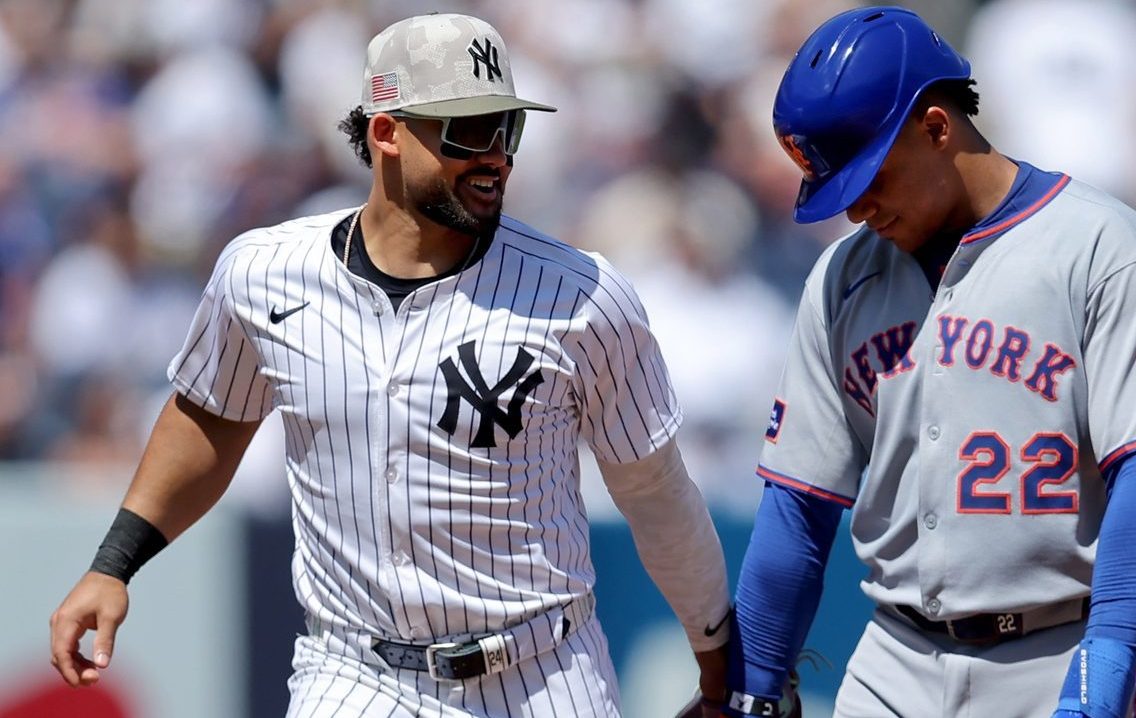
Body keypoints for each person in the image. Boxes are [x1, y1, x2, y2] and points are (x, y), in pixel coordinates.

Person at [48, 13, 732, 717]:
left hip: (541, 669)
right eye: (467, 130)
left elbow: (655, 490)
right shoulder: (264, 275)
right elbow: (211, 420)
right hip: (351, 670)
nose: (494, 155)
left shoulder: (582, 296)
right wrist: (113, 566)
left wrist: (721, 668)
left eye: (507, 128)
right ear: (385, 131)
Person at [723, 7, 1136, 718]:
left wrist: (1106, 661)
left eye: (871, 178)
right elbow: (798, 504)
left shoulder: (1105, 248)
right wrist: (753, 683)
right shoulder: (842, 278)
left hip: (1066, 645)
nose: (857, 209)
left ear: (936, 127)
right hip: (894, 661)